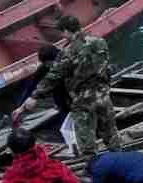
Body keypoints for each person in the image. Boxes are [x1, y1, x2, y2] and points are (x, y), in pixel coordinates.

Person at [51, 14, 119, 159]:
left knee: (86, 140)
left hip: (83, 100)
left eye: (62, 32)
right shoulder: (99, 42)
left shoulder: (67, 52)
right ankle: (119, 157)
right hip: (102, 95)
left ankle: (93, 164)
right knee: (110, 132)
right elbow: (105, 66)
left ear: (66, 31)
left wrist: (34, 96)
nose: (63, 36)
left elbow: (54, 76)